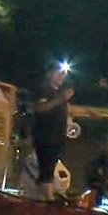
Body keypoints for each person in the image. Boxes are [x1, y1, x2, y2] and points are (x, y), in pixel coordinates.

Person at [31, 61, 74, 202]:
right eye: (59, 73)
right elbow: (41, 108)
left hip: (57, 138)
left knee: (50, 168)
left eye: (64, 74)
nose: (62, 77)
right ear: (50, 73)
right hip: (46, 137)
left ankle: (44, 197)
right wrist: (62, 99)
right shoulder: (44, 89)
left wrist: (90, 113)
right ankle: (48, 200)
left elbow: (65, 109)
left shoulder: (57, 93)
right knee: (47, 170)